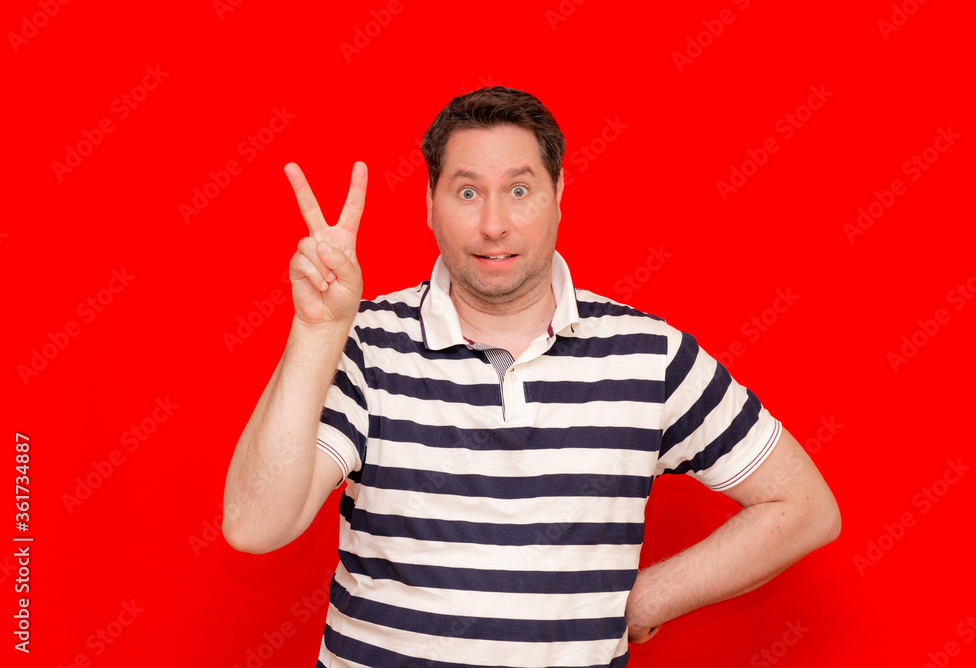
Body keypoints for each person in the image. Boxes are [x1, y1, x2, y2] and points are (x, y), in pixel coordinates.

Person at [222, 86, 841, 668]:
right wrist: (317, 331)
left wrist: (647, 598)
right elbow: (254, 527)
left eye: (519, 190)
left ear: (559, 194)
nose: (494, 224)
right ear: (429, 204)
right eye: (468, 192)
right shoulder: (364, 345)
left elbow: (805, 508)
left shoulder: (649, 356)